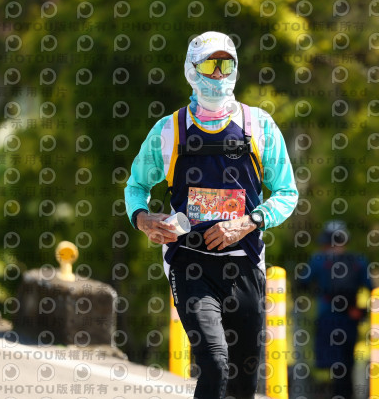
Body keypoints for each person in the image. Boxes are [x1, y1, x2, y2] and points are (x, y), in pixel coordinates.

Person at [124, 31, 298, 399]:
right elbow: (136, 186)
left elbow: (287, 193)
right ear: (191, 71)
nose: (218, 74)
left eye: (225, 65)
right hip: (189, 263)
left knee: (242, 383)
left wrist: (250, 221)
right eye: (209, 65)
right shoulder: (169, 130)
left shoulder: (259, 126)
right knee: (215, 362)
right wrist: (141, 218)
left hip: (245, 262)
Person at [298, 220, 379, 399]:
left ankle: (339, 394)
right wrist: (363, 312)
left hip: (327, 317)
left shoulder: (319, 260)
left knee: (334, 365)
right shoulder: (358, 261)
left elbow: (302, 282)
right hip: (351, 318)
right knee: (347, 364)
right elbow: (374, 290)